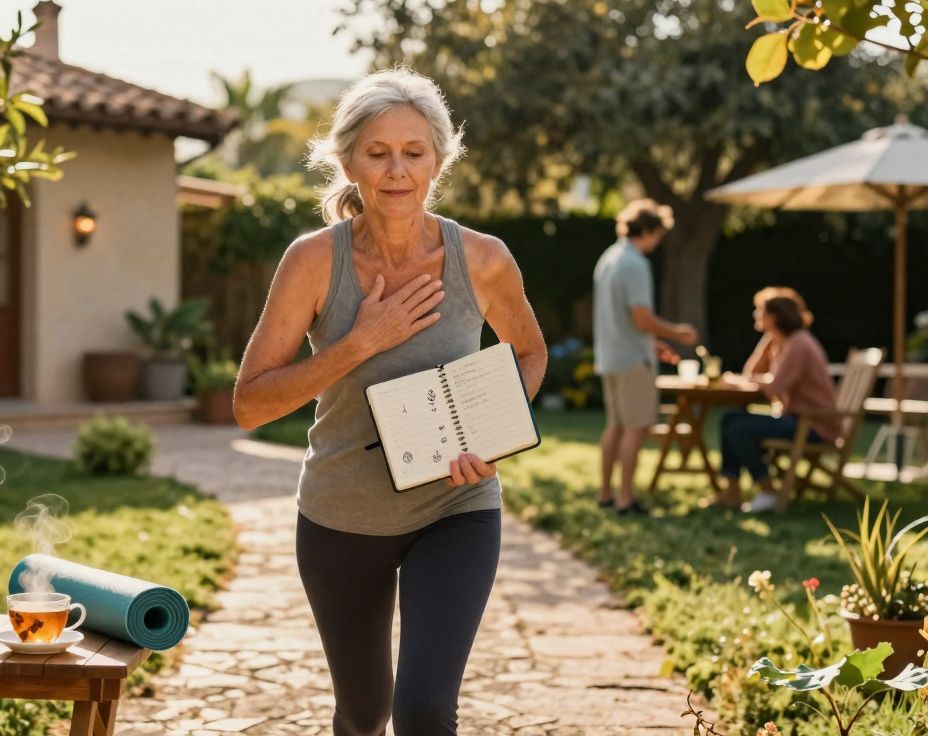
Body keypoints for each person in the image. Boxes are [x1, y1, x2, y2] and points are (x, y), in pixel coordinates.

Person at [231, 66, 547, 736]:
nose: (397, 171)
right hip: (341, 514)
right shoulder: (313, 262)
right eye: (377, 153)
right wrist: (359, 343)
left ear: (438, 161)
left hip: (456, 508)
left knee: (425, 712)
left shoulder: (483, 259)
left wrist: (490, 435)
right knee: (364, 713)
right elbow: (250, 404)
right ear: (349, 163)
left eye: (413, 152)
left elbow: (529, 352)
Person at [591, 199, 698, 515]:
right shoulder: (635, 264)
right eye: (659, 235)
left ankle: (605, 494)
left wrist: (652, 344)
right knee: (635, 429)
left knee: (615, 427)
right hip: (632, 363)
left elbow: (622, 319)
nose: (659, 241)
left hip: (610, 357)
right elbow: (641, 318)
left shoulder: (609, 258)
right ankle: (626, 499)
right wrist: (678, 333)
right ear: (649, 230)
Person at [714, 291, 838, 513]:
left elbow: (774, 388)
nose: (756, 315)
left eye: (760, 311)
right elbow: (750, 373)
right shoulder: (783, 342)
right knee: (730, 420)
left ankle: (768, 490)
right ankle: (732, 492)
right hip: (795, 419)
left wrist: (751, 379)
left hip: (813, 425)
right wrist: (768, 339)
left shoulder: (799, 344)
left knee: (739, 427)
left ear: (774, 317)